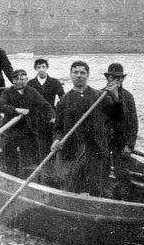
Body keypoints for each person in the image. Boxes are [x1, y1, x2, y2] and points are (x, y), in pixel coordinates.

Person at [50, 60, 120, 197]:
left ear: (88, 75)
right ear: (70, 75)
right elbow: (57, 128)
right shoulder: (64, 101)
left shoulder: (100, 96)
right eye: (75, 72)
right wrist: (56, 140)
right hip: (73, 150)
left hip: (96, 150)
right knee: (73, 186)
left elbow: (117, 117)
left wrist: (116, 96)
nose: (79, 75)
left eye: (83, 73)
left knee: (96, 187)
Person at [0, 69, 54, 176]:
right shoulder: (7, 92)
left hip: (26, 129)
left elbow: (45, 105)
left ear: (26, 80)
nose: (19, 82)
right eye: (16, 79)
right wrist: (15, 109)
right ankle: (10, 176)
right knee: (9, 156)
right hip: (10, 129)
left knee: (29, 155)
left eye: (22, 79)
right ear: (12, 80)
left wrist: (52, 116)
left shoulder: (31, 91)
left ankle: (26, 178)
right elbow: (1, 106)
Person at [103, 63, 138, 200]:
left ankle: (125, 201)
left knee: (122, 173)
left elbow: (133, 123)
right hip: (104, 141)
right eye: (112, 77)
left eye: (118, 78)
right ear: (108, 78)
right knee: (102, 171)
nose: (115, 80)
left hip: (121, 142)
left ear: (122, 80)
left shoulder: (128, 97)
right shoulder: (99, 94)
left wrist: (129, 144)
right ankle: (105, 199)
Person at [27, 58, 65, 157]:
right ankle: (40, 161)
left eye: (43, 67)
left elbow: (63, 98)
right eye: (38, 67)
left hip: (51, 114)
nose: (41, 69)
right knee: (38, 140)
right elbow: (26, 100)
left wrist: (58, 111)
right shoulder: (31, 83)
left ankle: (51, 160)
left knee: (51, 137)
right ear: (35, 69)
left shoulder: (54, 82)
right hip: (36, 115)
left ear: (47, 68)